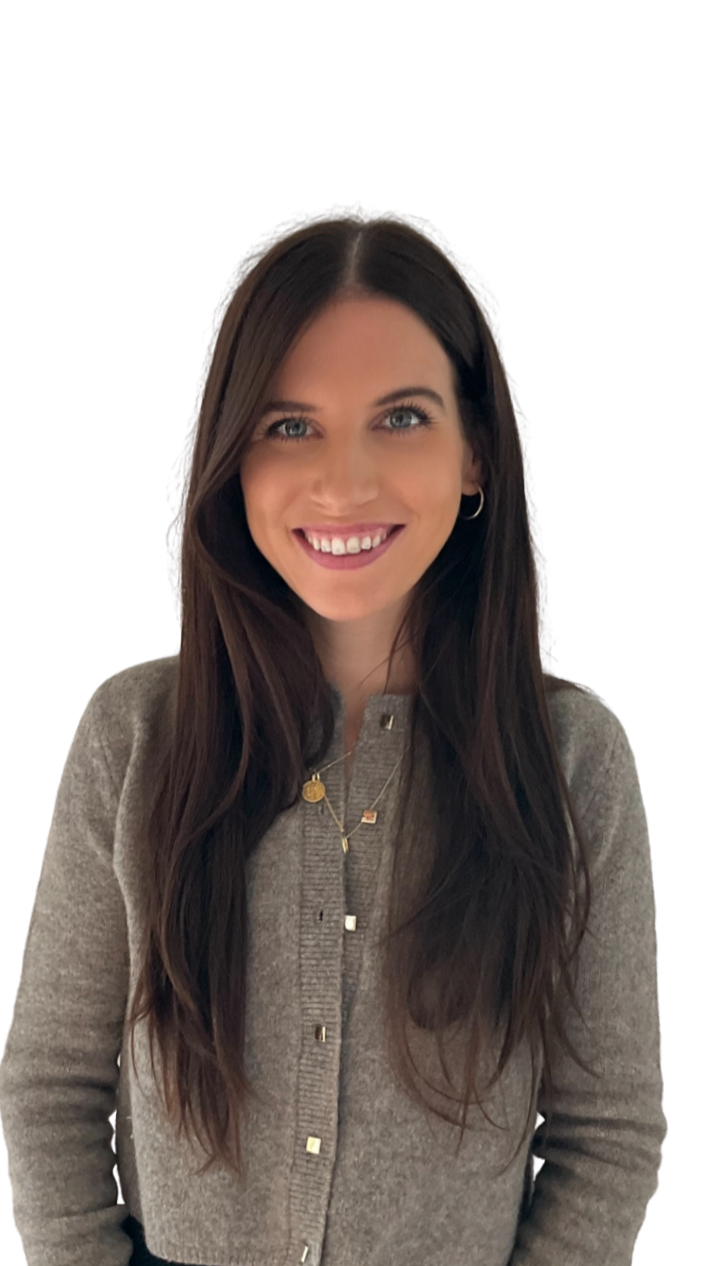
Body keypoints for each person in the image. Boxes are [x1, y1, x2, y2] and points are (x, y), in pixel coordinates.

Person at [0, 203, 666, 1265]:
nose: (344, 481)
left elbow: (606, 1135)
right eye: (289, 422)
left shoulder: (572, 760)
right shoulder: (134, 734)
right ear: (233, 456)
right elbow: (50, 1086)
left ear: (475, 454)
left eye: (400, 417)